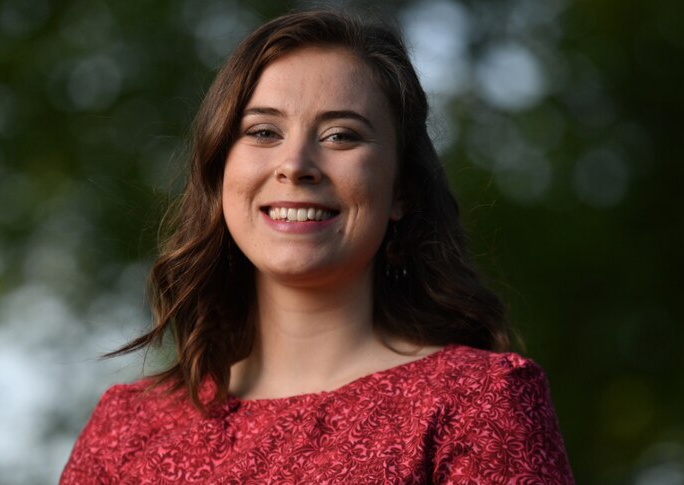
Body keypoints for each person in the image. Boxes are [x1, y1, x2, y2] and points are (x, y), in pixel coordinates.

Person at [60, 9, 573, 484]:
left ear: (401, 191)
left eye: (341, 136)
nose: (296, 164)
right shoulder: (124, 432)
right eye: (263, 131)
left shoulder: (476, 402)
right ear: (221, 175)